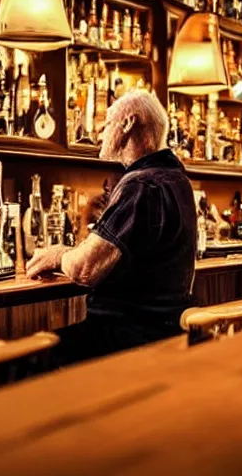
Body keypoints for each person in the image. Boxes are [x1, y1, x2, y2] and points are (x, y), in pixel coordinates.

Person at [26, 89, 197, 365]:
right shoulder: (178, 180)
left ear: (128, 123)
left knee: (27, 355)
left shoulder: (141, 184)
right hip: (165, 332)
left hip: (129, 337)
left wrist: (57, 255)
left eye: (106, 124)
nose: (101, 134)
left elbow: (85, 268)